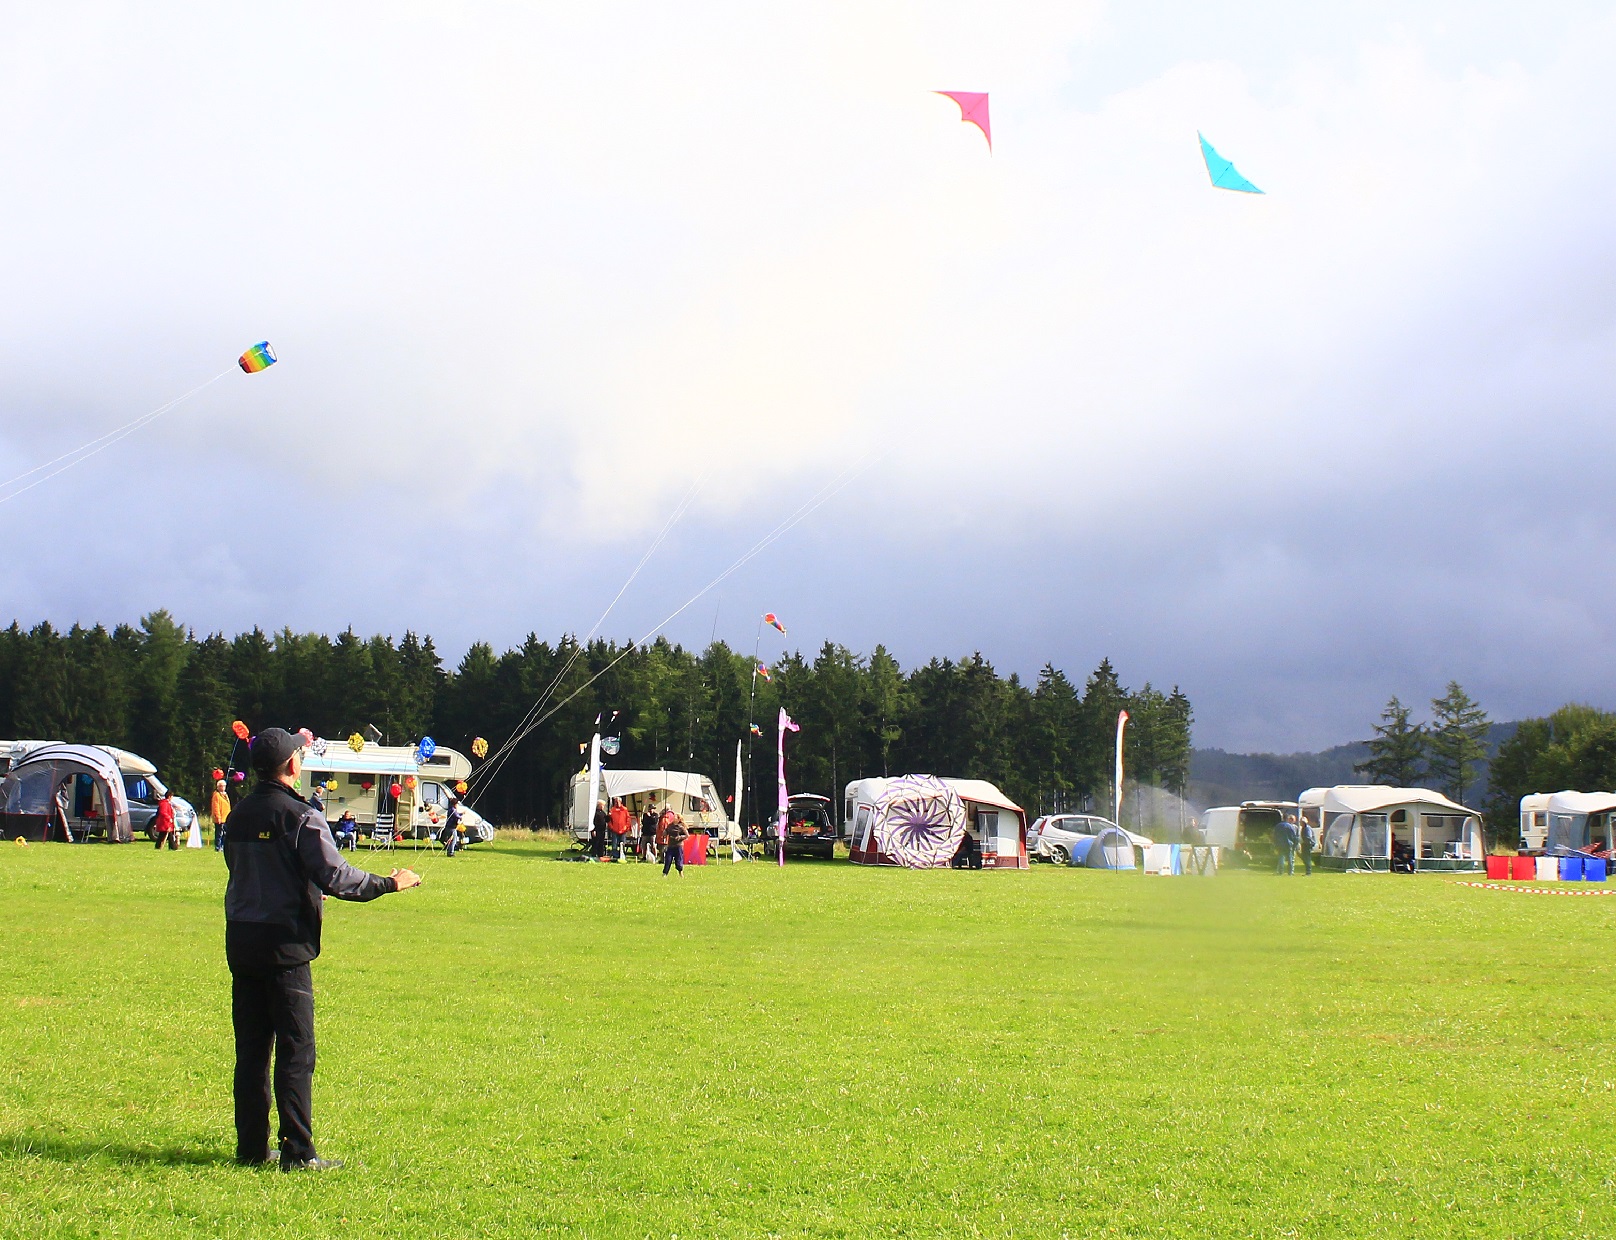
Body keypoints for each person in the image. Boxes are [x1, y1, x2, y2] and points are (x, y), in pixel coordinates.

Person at [224, 727, 421, 1172]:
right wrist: (392, 882)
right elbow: (339, 877)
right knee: (297, 1050)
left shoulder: (238, 815)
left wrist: (302, 887)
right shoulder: (301, 815)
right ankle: (297, 1154)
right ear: (293, 765)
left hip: (242, 942)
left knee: (252, 1052)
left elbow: (253, 871)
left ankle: (251, 1148)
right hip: (286, 948)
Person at [661, 805, 688, 876]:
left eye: (675, 817)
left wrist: (680, 837)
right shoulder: (670, 825)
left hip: (678, 846)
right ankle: (665, 874)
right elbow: (666, 832)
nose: (674, 818)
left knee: (678, 861)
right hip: (670, 846)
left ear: (678, 819)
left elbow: (687, 835)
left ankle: (681, 873)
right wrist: (664, 832)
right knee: (668, 860)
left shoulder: (681, 827)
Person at [211, 779, 233, 852]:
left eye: (224, 786)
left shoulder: (225, 794)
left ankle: (223, 846)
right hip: (220, 818)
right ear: (218, 787)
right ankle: (218, 847)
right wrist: (218, 817)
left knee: (225, 833)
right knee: (219, 833)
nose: (223, 787)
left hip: (226, 817)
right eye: (222, 786)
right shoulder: (216, 795)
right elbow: (215, 807)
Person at [607, 796, 631, 861]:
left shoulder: (624, 809)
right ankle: (615, 856)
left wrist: (627, 827)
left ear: (621, 801)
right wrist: (611, 827)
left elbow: (628, 819)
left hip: (623, 830)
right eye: (615, 801)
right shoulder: (612, 810)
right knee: (614, 844)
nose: (616, 803)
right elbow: (609, 820)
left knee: (622, 843)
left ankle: (622, 855)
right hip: (614, 830)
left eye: (617, 801)